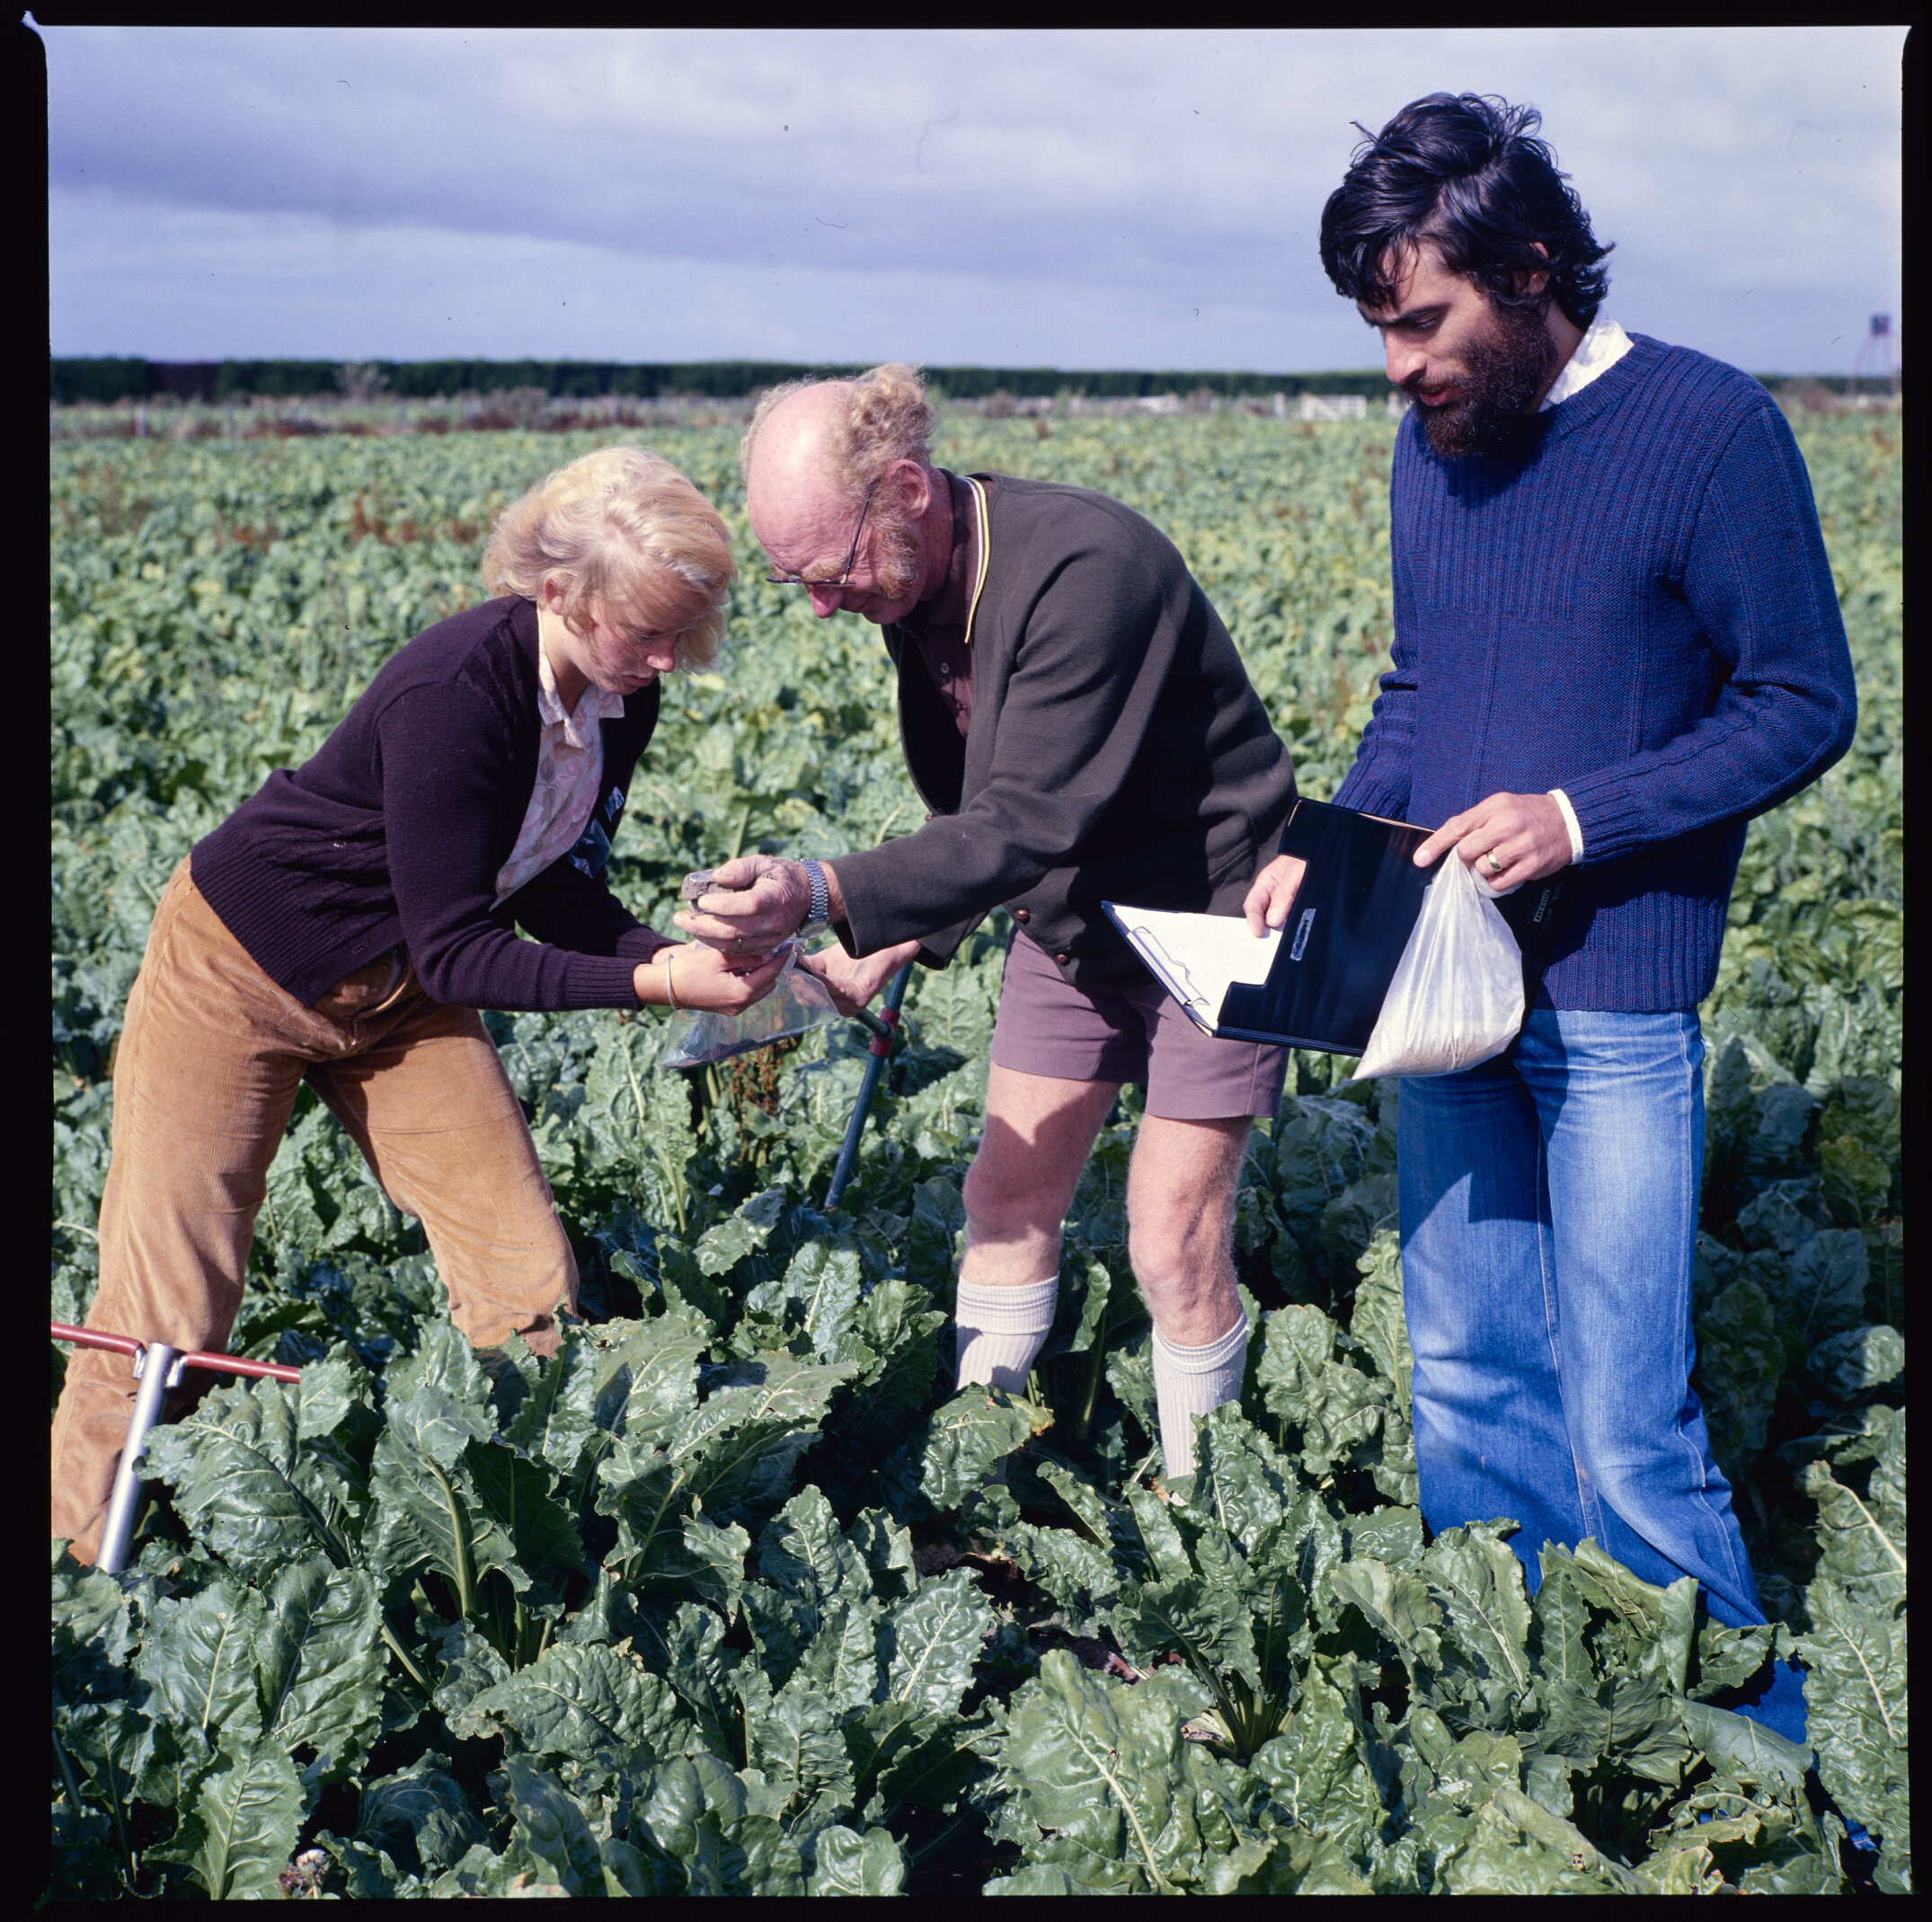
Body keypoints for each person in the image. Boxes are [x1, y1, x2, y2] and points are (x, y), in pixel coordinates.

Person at [1245, 94, 1857, 1737]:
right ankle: (1515, 1702)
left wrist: (1583, 818)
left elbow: (1804, 698)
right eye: (1378, 328)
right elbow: (1427, 685)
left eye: (1422, 320)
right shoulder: (1435, 438)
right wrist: (1335, 835)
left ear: (1528, 273)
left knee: (1627, 1412)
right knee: (1459, 1370)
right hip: (1439, 986)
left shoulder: (1711, 430)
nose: (1397, 365)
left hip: (1617, 1000)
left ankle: (1747, 1742)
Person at [51, 446, 785, 1564]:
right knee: (168, 1309)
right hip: (241, 969)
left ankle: (518, 1549)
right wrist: (653, 984)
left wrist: (674, 950)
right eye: (647, 631)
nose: (669, 662)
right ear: (557, 592)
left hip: (395, 992)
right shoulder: (458, 693)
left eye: (683, 634)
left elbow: (549, 880)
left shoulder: (619, 696)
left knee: (526, 1280)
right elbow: (460, 952)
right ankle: (72, 1579)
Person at [674, 364, 1298, 1482]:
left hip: (1216, 922)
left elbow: (1020, 819)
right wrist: (881, 941)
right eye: (798, 581)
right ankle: (974, 1481)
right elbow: (979, 806)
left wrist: (822, 891)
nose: (823, 603)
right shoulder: (909, 580)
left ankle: (1212, 1514)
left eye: (832, 570)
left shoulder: (1083, 568)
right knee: (1003, 1197)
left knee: (1170, 1237)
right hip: (1072, 922)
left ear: (905, 489)